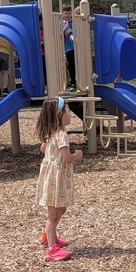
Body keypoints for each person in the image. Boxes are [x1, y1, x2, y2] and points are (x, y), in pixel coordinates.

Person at [35, 97, 83, 262]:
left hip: (51, 178)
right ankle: (51, 249)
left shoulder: (52, 134)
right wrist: (78, 154)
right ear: (59, 115)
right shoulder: (61, 135)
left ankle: (49, 235)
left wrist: (51, 157)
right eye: (68, 111)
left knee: (60, 209)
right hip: (56, 179)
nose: (71, 115)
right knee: (54, 214)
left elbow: (43, 148)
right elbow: (67, 158)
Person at [61, 5, 77, 90]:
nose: (67, 15)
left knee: (74, 64)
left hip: (74, 47)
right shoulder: (61, 23)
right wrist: (64, 31)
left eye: (69, 13)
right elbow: (58, 36)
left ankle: (74, 81)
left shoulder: (74, 23)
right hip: (66, 48)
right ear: (62, 14)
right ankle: (70, 82)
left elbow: (77, 32)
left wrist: (73, 36)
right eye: (65, 13)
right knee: (69, 65)